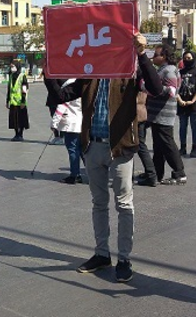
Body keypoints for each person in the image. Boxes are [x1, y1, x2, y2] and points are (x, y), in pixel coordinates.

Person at [45, 34, 163, 283]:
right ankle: (101, 254)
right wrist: (49, 72)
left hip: (120, 148)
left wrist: (142, 55)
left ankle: (124, 259)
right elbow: (62, 95)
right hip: (92, 148)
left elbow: (156, 88)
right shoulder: (90, 74)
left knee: (124, 205)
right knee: (99, 203)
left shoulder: (129, 71)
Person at [139, 44, 187, 186]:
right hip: (157, 115)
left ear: (164, 56)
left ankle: (179, 173)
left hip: (164, 114)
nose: (153, 57)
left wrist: (148, 88)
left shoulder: (169, 71)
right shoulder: (163, 69)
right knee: (158, 146)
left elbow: (172, 91)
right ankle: (157, 172)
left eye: (156, 54)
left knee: (167, 144)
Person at [48, 78, 83, 184]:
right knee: (81, 150)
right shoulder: (82, 85)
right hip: (81, 122)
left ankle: (75, 174)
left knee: (72, 149)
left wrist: (54, 124)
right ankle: (91, 172)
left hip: (70, 124)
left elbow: (61, 107)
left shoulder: (68, 87)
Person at [176, 51, 196, 158]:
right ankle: (182, 147)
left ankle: (194, 148)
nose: (187, 60)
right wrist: (180, 100)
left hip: (194, 105)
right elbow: (175, 87)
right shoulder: (180, 72)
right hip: (182, 104)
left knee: (195, 127)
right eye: (185, 58)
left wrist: (192, 101)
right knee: (182, 127)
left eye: (189, 58)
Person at [135, 90, 156, 182]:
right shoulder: (143, 81)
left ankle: (151, 174)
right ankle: (151, 173)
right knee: (141, 145)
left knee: (132, 146)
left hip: (135, 115)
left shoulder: (135, 80)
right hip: (142, 113)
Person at [7, 60, 29, 141]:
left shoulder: (22, 76)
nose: (12, 68)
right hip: (13, 102)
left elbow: (24, 89)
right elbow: (9, 89)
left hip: (20, 102)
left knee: (21, 119)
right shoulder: (11, 76)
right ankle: (16, 134)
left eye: (13, 66)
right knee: (14, 119)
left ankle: (20, 134)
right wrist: (7, 101)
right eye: (11, 67)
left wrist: (23, 101)